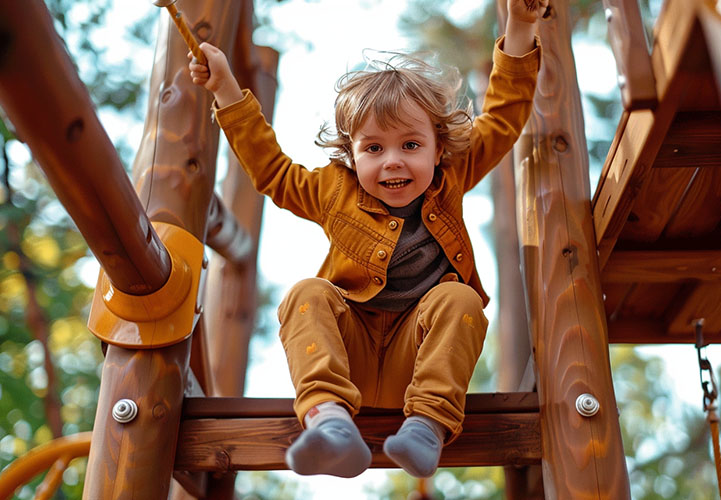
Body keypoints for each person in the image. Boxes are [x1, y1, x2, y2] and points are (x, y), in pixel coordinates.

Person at [189, 0, 543, 479]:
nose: (392, 161)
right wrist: (227, 89)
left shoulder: (453, 176)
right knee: (307, 294)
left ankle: (427, 427)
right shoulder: (333, 191)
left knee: (458, 297)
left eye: (410, 145)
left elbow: (502, 119)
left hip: (416, 365)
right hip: (347, 360)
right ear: (351, 157)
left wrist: (520, 28)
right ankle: (330, 423)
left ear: (440, 150)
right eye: (374, 148)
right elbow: (272, 169)